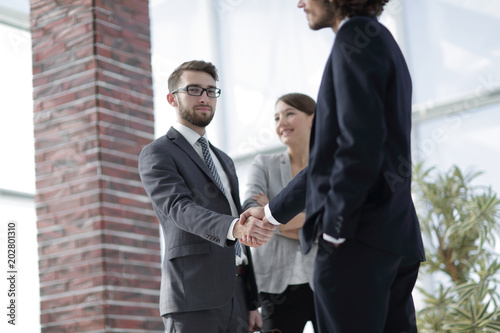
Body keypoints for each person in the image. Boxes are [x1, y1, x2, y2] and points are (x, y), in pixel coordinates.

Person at [240, 1, 426, 332]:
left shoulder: (352, 37)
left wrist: (335, 229)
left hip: (357, 238)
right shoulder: (381, 40)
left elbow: (357, 144)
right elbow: (331, 159)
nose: (299, 2)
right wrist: (270, 214)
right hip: (392, 235)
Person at [138, 60, 275, 332]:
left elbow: (233, 210)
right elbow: (179, 208)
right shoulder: (158, 153)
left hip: (237, 292)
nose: (204, 98)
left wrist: (250, 302)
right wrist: (235, 227)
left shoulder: (223, 159)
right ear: (172, 98)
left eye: (211, 91)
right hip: (193, 295)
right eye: (194, 89)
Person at [242, 93, 318, 333]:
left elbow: (338, 223)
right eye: (276, 117)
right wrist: (313, 223)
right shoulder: (263, 164)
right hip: (274, 287)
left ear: (313, 119)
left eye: (290, 113)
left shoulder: (330, 168)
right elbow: (252, 213)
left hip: (324, 281)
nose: (281, 123)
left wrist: (275, 212)